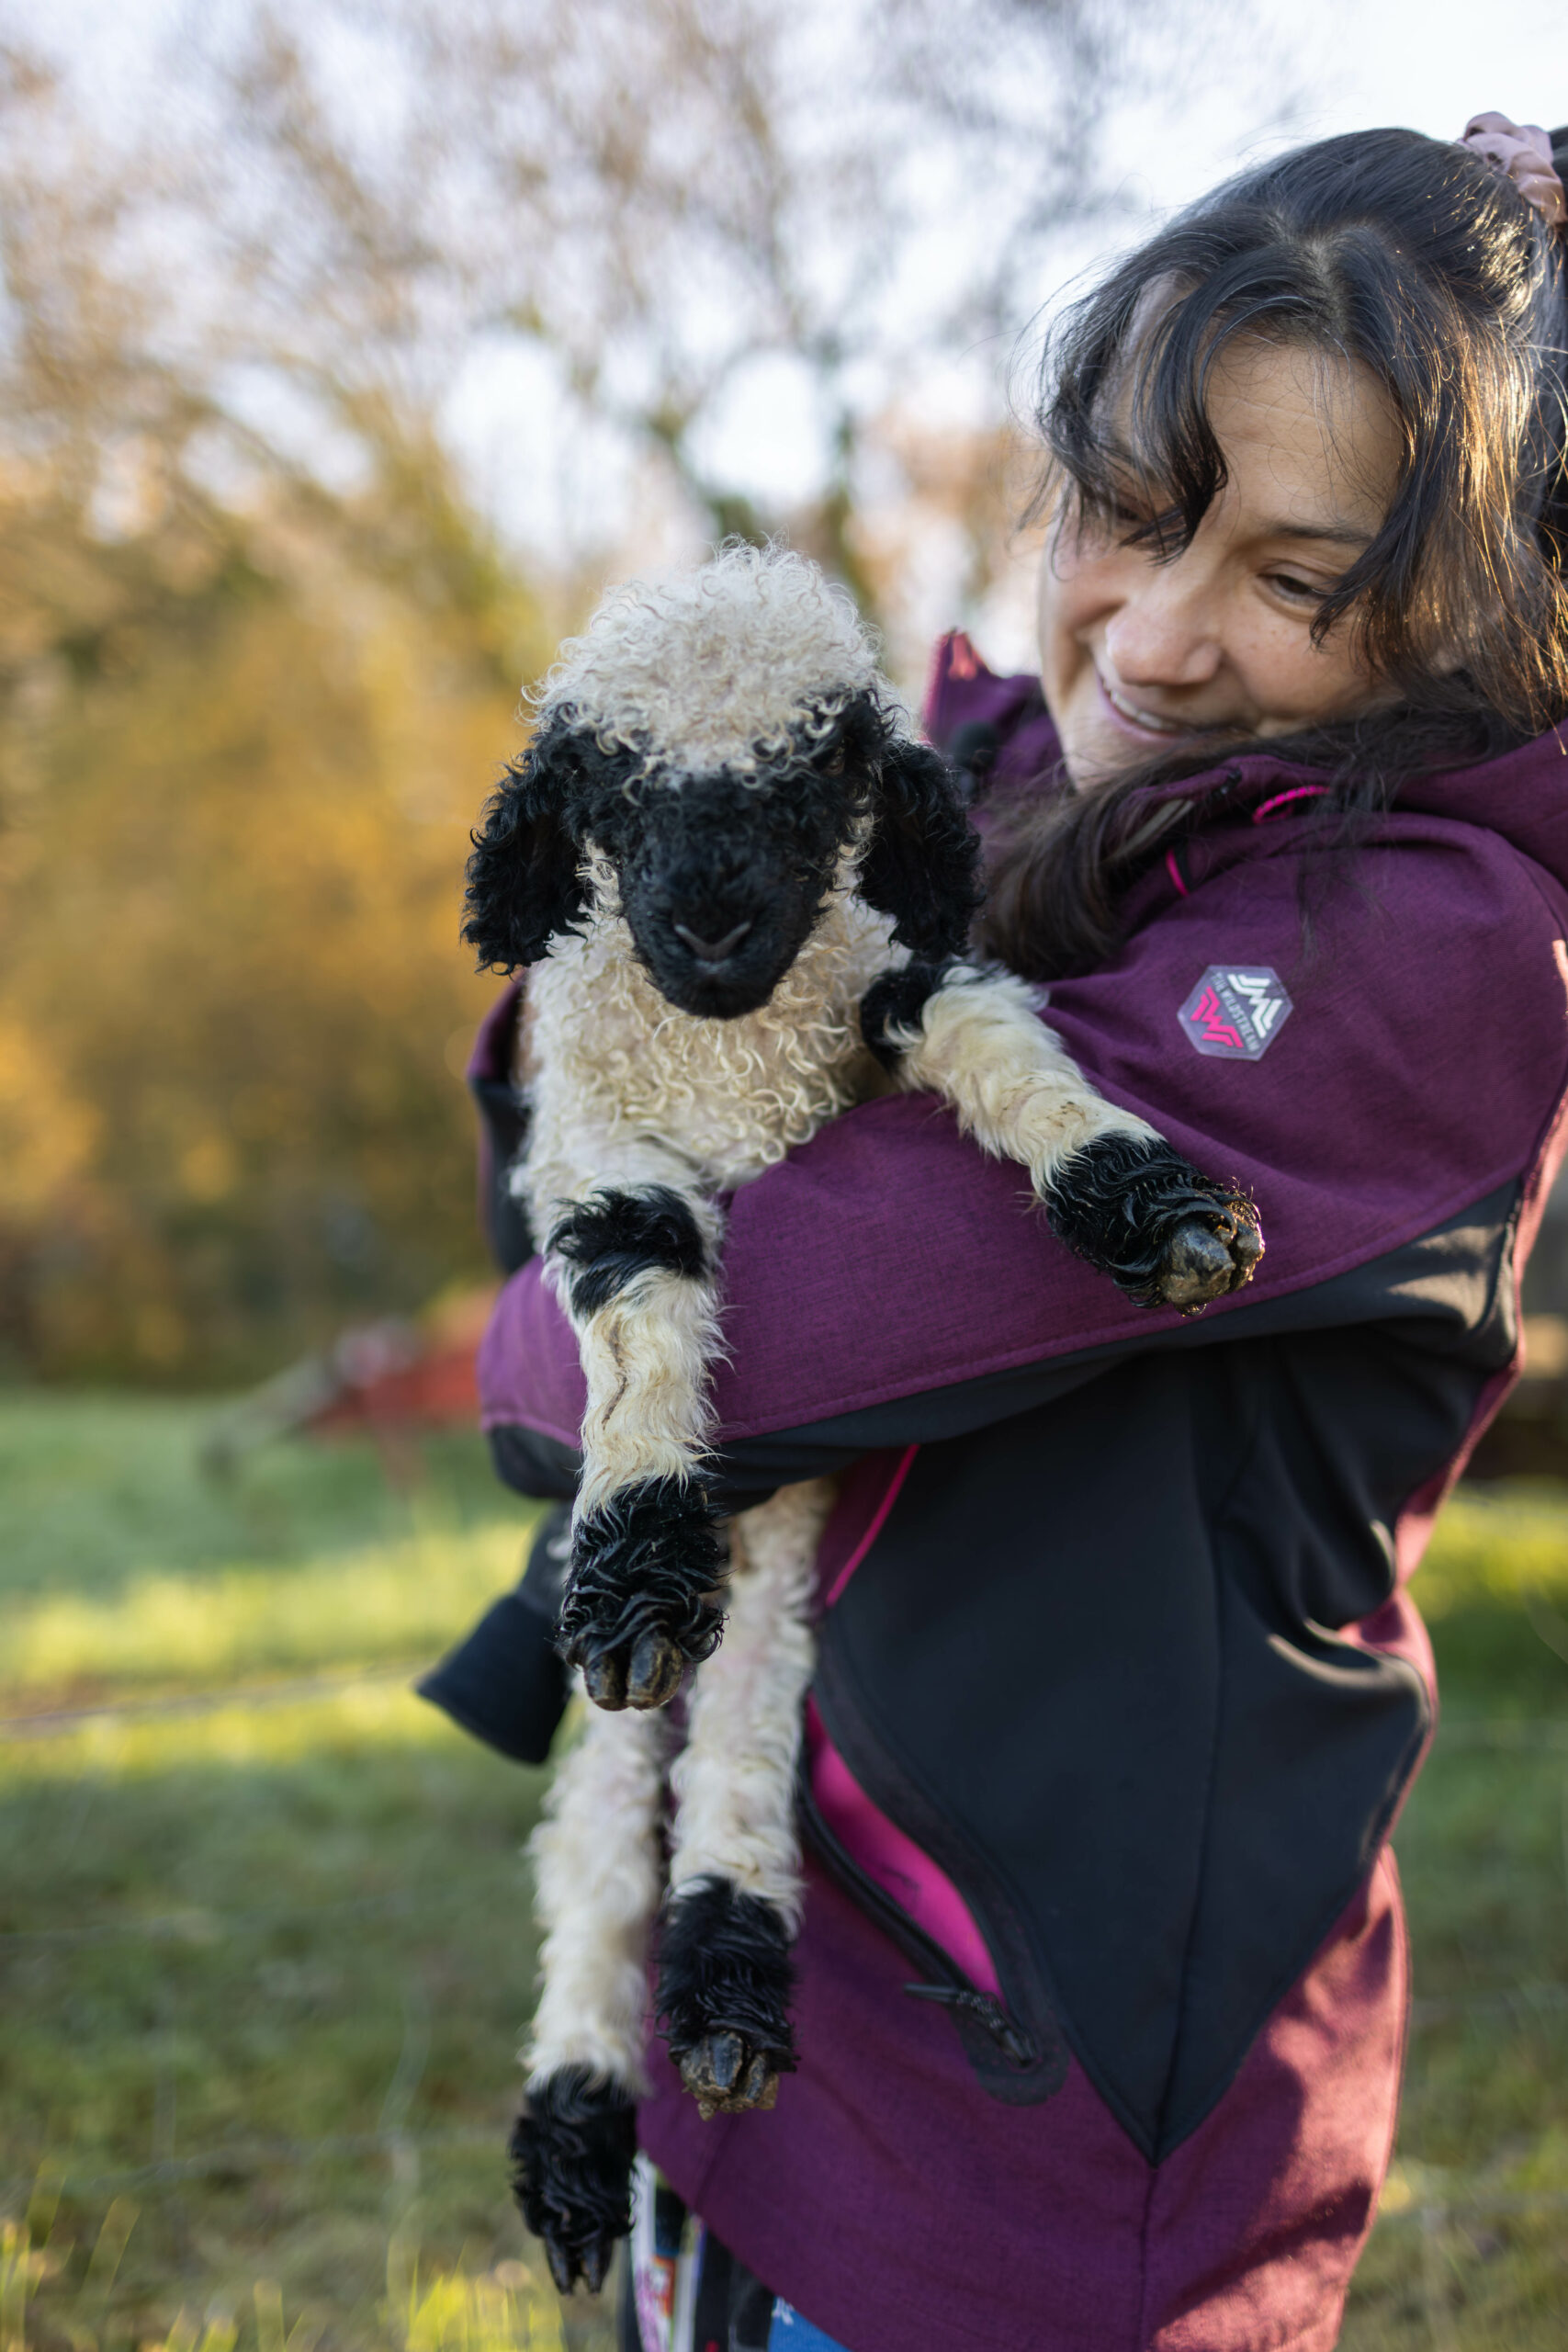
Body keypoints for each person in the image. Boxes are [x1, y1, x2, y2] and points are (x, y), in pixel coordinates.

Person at [420, 116, 1568, 2351]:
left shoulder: (1423, 954)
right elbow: (561, 1102)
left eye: (1295, 580)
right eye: (1125, 513)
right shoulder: (984, 786)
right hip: (761, 1996)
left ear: (1469, 598)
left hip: (1029, 2142)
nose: (1158, 634)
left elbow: (738, 1329)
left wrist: (539, 1326)